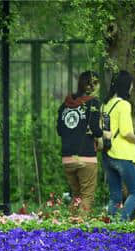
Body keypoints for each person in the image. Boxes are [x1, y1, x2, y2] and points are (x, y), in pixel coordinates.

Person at [56, 70, 106, 215]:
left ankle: (69, 227)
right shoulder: (93, 103)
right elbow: (96, 129)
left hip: (67, 158)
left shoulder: (64, 105)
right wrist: (102, 135)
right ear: (92, 85)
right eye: (96, 83)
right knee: (87, 196)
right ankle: (81, 229)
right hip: (86, 156)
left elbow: (60, 130)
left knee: (76, 196)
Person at [102, 71, 135, 221]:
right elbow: (126, 132)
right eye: (131, 85)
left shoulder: (105, 105)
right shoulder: (124, 105)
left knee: (115, 197)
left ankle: (110, 225)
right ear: (126, 86)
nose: (132, 88)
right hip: (122, 155)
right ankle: (122, 222)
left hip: (108, 154)